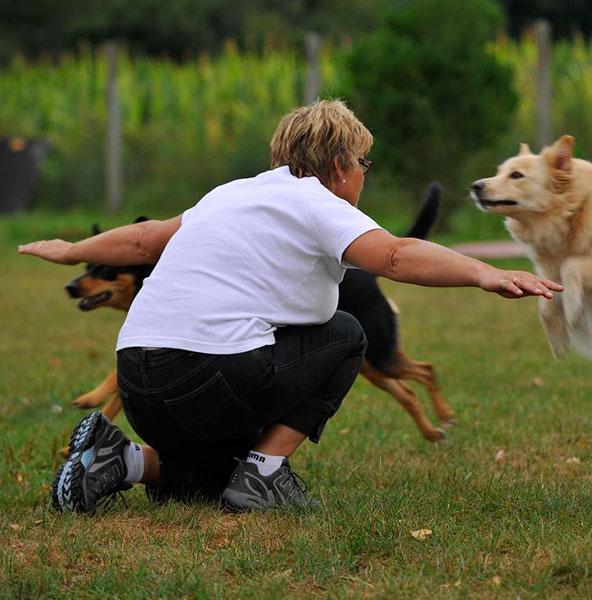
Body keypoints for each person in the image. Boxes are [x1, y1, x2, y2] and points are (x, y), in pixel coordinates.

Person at [20, 100, 563, 514]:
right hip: (207, 379)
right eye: (364, 162)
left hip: (137, 383)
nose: (364, 174)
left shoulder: (230, 193)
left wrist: (73, 250)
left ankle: (118, 457)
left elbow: (144, 241)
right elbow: (397, 255)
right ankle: (265, 472)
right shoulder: (319, 201)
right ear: (340, 164)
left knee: (213, 484)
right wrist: (486, 274)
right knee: (346, 333)